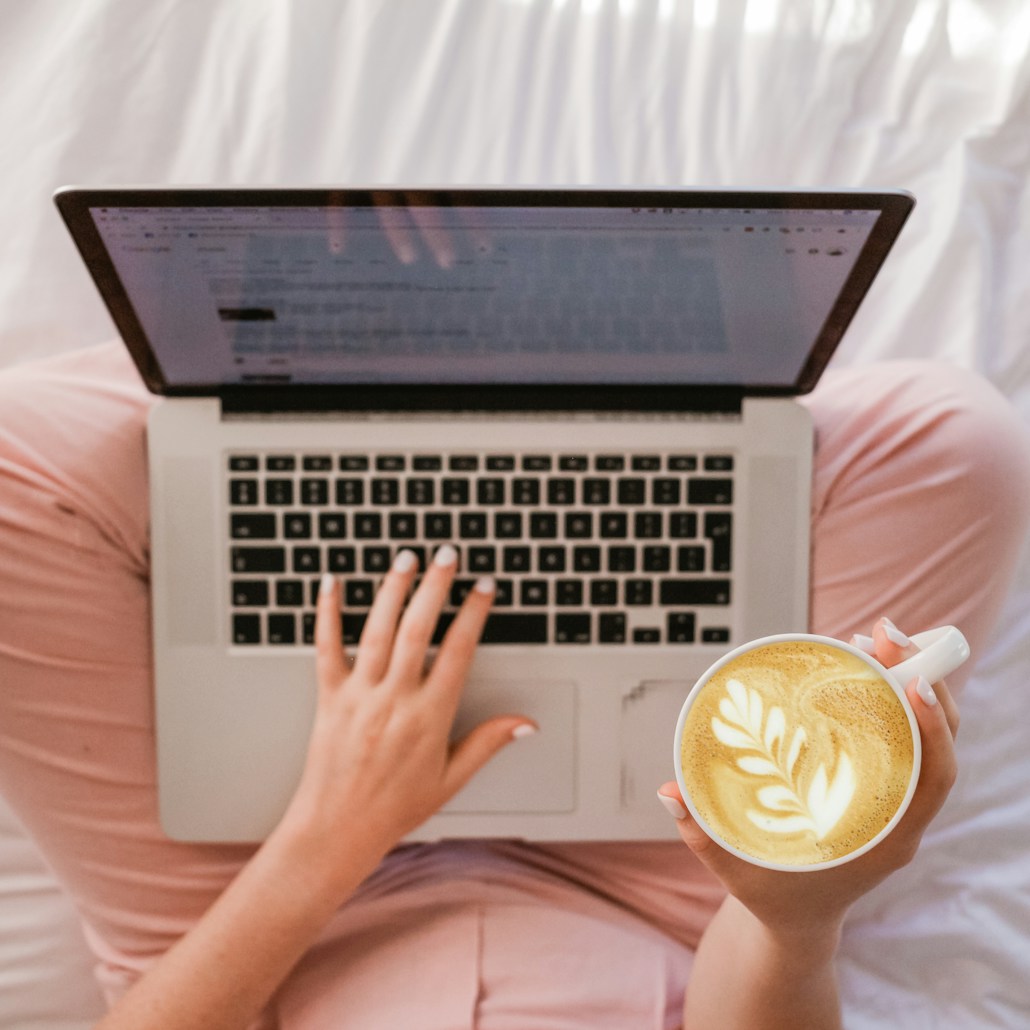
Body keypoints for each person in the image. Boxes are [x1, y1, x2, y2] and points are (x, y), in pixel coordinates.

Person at [1, 341, 1028, 1029]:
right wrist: (793, 914)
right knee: (952, 438)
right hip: (664, 907)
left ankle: (344, 356)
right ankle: (585, 367)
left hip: (263, 921)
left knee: (13, 458)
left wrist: (331, 833)